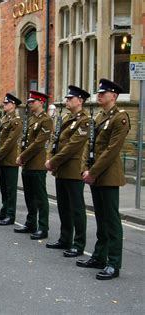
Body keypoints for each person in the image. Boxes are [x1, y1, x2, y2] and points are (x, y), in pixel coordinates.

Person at [78, 78, 130, 280]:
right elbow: (87, 145)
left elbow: (111, 151)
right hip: (94, 175)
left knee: (111, 220)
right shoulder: (99, 116)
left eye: (103, 93)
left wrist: (93, 172)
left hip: (107, 176)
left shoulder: (120, 118)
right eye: (98, 93)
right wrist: (84, 168)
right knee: (100, 218)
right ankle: (99, 256)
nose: (99, 96)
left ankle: (114, 262)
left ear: (114, 96)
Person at [45, 85, 90, 257]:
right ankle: (65, 238)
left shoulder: (84, 120)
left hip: (72, 169)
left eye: (70, 99)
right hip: (61, 168)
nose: (67, 101)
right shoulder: (64, 118)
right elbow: (54, 139)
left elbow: (72, 146)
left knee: (76, 208)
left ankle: (78, 244)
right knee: (63, 206)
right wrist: (50, 157)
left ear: (80, 101)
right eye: (67, 98)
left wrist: (53, 161)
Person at [14, 91, 53, 240]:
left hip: (37, 164)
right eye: (29, 102)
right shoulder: (30, 119)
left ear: (41, 102)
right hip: (27, 164)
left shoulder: (46, 120)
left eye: (33, 102)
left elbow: (38, 143)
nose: (30, 104)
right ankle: (31, 223)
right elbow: (22, 140)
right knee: (29, 196)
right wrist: (20, 155)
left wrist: (22, 156)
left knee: (40, 197)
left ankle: (43, 227)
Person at [0, 93, 23, 225]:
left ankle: (10, 214)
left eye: (7, 103)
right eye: (4, 103)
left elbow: (10, 142)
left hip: (9, 159)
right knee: (3, 188)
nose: (4, 105)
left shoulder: (16, 121)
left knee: (10, 189)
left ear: (13, 105)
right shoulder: (4, 119)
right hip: (2, 159)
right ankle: (4, 211)